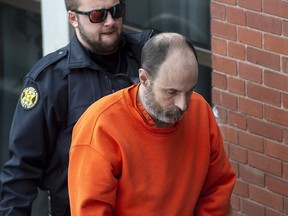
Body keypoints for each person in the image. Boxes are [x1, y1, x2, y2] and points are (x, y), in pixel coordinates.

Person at [0, 0, 154, 215]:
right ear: (73, 18)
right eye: (98, 16)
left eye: (116, 11)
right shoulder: (49, 81)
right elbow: (21, 171)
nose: (110, 21)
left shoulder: (150, 57)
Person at [68, 32, 236, 215]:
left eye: (189, 90)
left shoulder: (200, 110)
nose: (183, 104)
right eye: (171, 92)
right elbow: (91, 210)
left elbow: (217, 189)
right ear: (144, 79)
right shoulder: (101, 127)